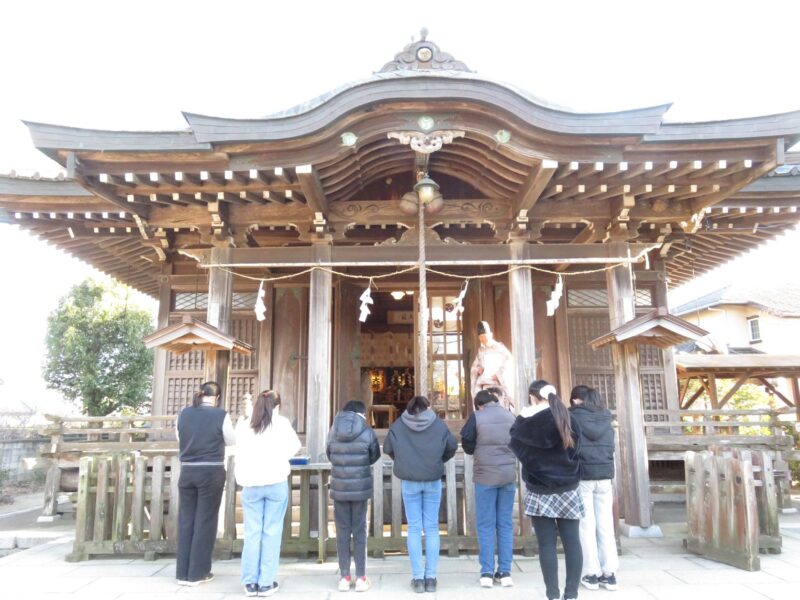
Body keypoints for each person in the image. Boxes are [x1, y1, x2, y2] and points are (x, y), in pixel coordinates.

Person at [509, 380, 583, 600]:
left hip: (539, 489)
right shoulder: (566, 416)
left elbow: (518, 450)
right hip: (568, 486)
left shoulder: (524, 422)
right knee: (572, 542)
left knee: (546, 545)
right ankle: (571, 594)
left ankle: (552, 594)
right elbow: (578, 449)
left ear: (532, 397)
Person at [383, 396, 458, 594]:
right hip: (432, 479)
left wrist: (405, 461)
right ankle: (431, 578)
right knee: (432, 527)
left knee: (414, 528)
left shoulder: (399, 425)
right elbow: (451, 447)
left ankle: (417, 578)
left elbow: (388, 448)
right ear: (428, 407)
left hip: (409, 481)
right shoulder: (438, 425)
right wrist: (437, 460)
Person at [234, 390, 301, 597]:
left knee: (252, 532)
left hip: (251, 483)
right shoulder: (281, 424)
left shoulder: (245, 425)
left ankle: (250, 581)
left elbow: (237, 448)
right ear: (277, 406)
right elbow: (294, 448)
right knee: (272, 532)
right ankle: (266, 582)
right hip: (275, 481)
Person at [175, 381, 236, 586]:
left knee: (187, 520)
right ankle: (198, 572)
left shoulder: (183, 414)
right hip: (211, 470)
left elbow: (179, 437)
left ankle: (182, 572)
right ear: (217, 397)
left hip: (187, 470)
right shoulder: (221, 415)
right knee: (205, 521)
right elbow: (231, 440)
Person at [459, 389, 517, 588]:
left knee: (485, 524)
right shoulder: (510, 416)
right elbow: (519, 440)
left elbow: (466, 440)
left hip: (485, 476)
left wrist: (476, 450)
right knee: (505, 524)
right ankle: (505, 571)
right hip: (508, 475)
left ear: (479, 405)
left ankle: (486, 572)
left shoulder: (477, 417)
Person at [326, 400, 381, 592]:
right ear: (362, 413)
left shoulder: (333, 431)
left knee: (342, 531)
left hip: (340, 486)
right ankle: (361, 577)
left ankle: (344, 576)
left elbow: (329, 454)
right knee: (360, 532)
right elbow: (374, 455)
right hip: (359, 487)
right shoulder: (366, 431)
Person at [569, 385, 618, 592]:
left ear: (576, 400)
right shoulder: (607, 419)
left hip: (584, 476)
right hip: (605, 476)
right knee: (605, 525)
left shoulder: (573, 417)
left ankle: (591, 573)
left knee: (586, 526)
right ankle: (610, 573)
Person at [470, 321, 515, 410]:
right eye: (481, 338)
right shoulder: (481, 351)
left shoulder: (500, 348)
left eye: (485, 337)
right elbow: (474, 367)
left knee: (500, 409)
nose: (483, 340)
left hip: (498, 386)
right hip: (485, 386)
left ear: (490, 335)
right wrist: (478, 369)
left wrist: (499, 374)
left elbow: (509, 363)